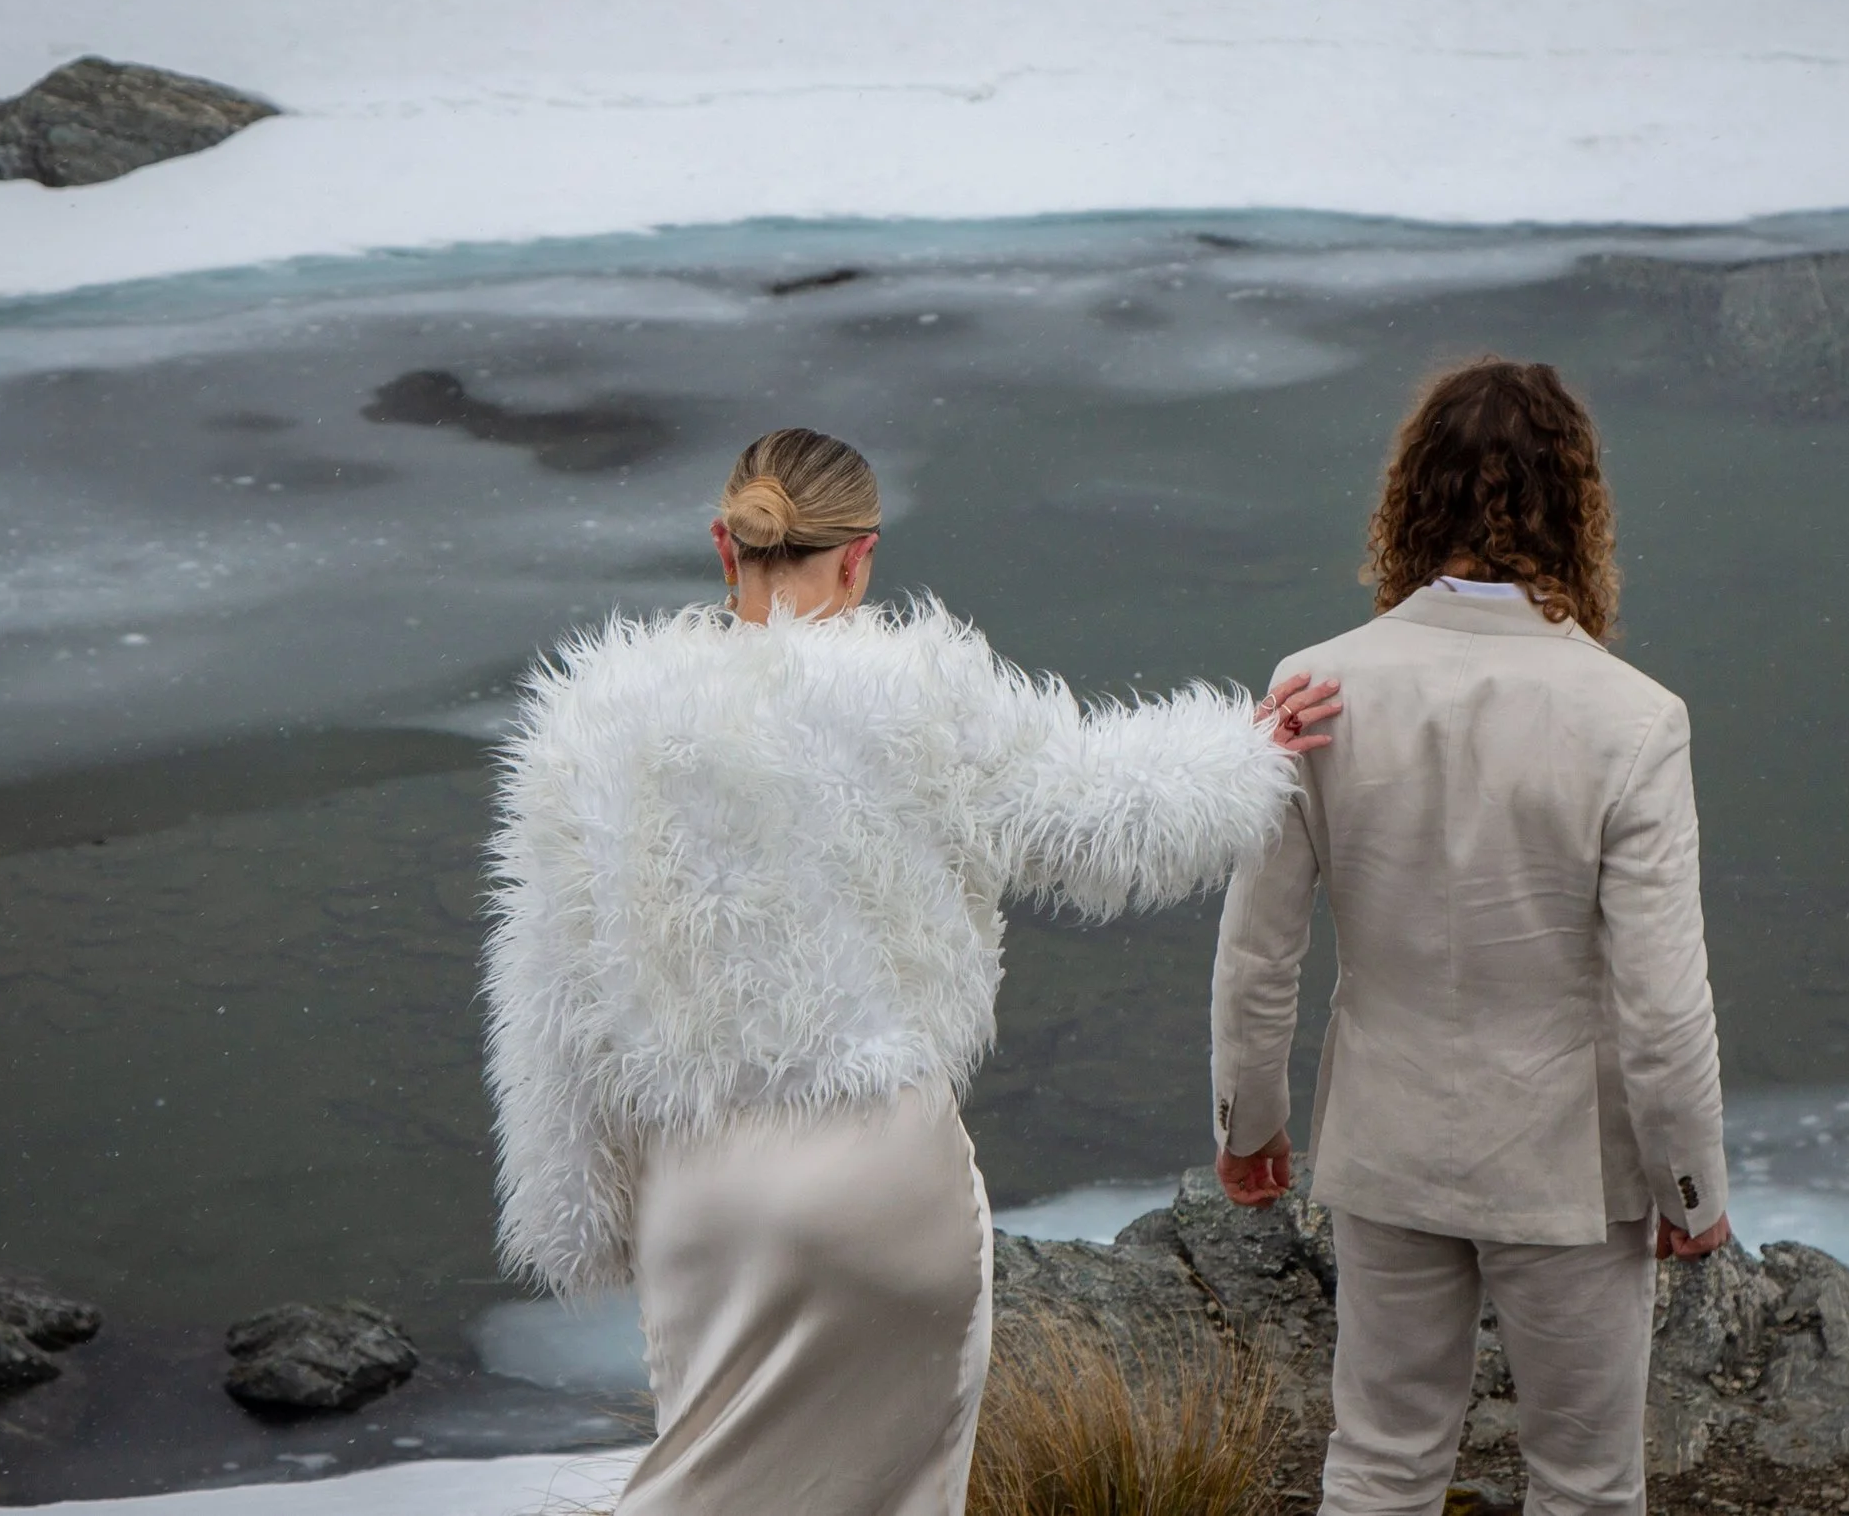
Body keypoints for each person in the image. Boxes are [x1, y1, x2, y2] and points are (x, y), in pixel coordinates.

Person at [481, 427, 1340, 1516]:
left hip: (694, 1194)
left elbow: (546, 1007)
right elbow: (1095, 817)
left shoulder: (588, 720)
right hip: (879, 1178)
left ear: (722, 542)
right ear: (860, 555)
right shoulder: (917, 689)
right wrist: (1251, 749)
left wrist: (578, 1219)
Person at [1209, 359, 1729, 1516]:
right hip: (1567, 1168)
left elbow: (1259, 949)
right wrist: (1689, 1181)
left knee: (1381, 1462)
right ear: (1575, 506)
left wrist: (1251, 1121)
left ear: (1412, 497)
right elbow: (1661, 1000)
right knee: (1586, 1484)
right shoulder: (1633, 719)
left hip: (1386, 1140)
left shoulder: (1314, 687)